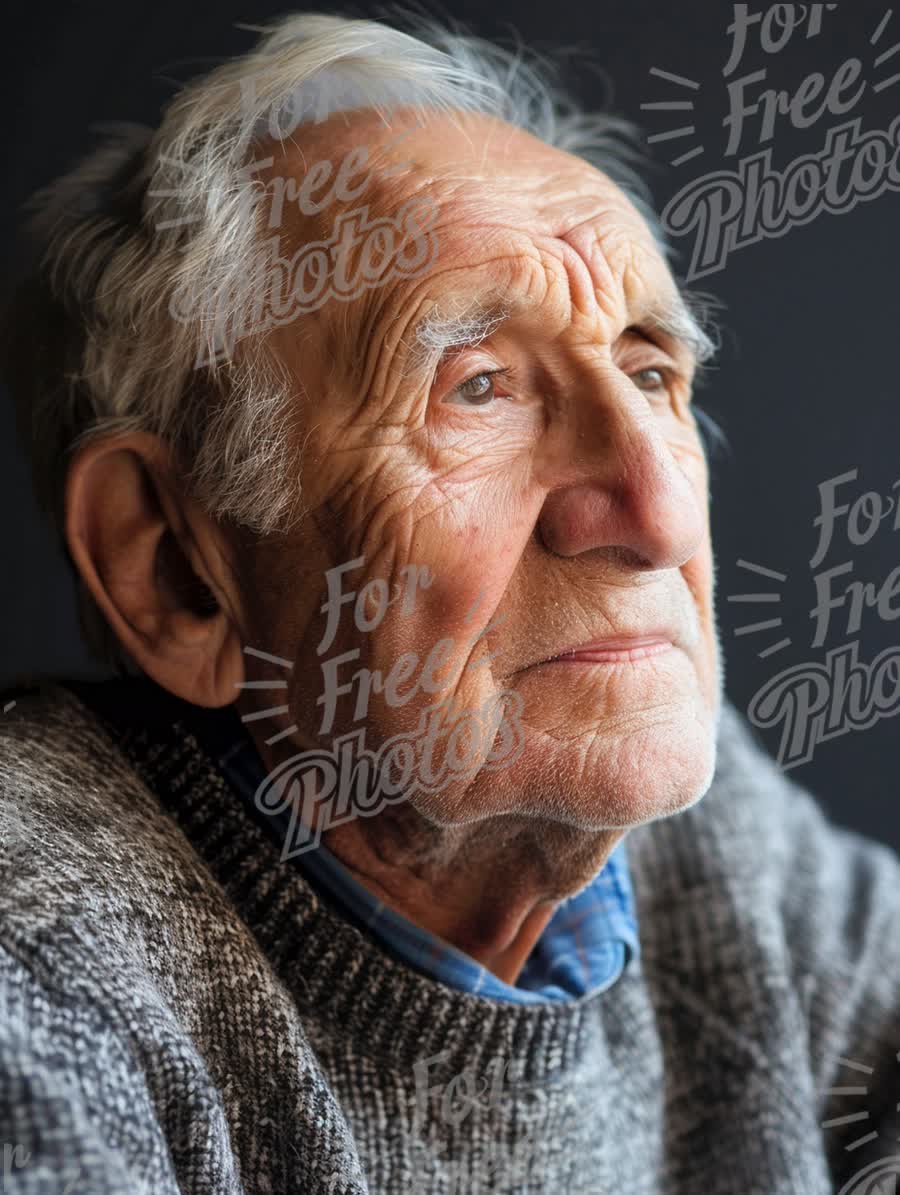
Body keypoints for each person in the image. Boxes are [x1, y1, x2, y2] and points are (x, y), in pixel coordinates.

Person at [1, 12, 897, 1194]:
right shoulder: (41, 968)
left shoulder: (695, 825)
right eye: (477, 388)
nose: (656, 515)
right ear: (174, 568)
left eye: (648, 373)